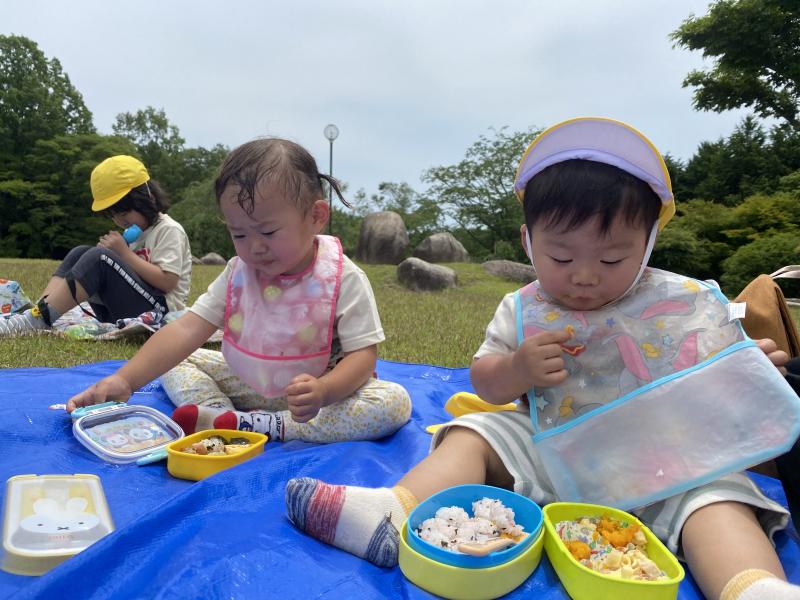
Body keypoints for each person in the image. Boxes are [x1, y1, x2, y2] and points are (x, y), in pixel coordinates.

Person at [284, 118, 800, 600]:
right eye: (561, 256)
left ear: (647, 245)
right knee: (478, 431)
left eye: (613, 258)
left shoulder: (678, 303)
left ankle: (753, 588)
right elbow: (485, 382)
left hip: (672, 463)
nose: (584, 276)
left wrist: (745, 370)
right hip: (556, 455)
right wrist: (517, 371)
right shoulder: (524, 308)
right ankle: (391, 514)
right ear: (529, 241)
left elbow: (718, 390)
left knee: (720, 499)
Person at [66, 138, 411, 445]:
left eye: (269, 232)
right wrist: (124, 379)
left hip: (313, 396)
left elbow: (363, 357)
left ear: (316, 216)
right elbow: (186, 329)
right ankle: (218, 416)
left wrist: (324, 391)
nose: (255, 248)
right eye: (240, 235)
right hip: (248, 380)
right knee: (177, 361)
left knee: (393, 403)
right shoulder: (238, 273)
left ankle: (267, 426)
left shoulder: (341, 277)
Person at [0, 155, 192, 336]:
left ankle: (39, 319)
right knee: (82, 252)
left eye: (124, 213)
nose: (120, 221)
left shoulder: (168, 230)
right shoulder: (136, 235)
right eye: (113, 216)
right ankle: (40, 312)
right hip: (120, 311)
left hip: (159, 313)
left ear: (148, 198)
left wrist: (123, 254)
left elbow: (167, 282)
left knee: (99, 258)